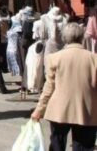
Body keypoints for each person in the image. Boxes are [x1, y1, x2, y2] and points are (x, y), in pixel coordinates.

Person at [31, 23, 97, 151]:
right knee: (83, 146)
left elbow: (49, 88)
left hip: (59, 109)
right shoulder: (93, 59)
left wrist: (39, 110)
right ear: (82, 37)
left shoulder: (54, 58)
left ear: (64, 38)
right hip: (87, 109)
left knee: (57, 143)